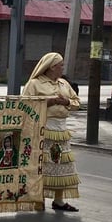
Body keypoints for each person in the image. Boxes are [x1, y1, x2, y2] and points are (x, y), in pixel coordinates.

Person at [22, 52, 81, 212]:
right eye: (60, 65)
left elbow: (77, 103)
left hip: (61, 130)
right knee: (42, 164)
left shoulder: (64, 84)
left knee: (61, 164)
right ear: (51, 67)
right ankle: (37, 197)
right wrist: (48, 102)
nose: (62, 68)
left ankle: (59, 200)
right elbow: (25, 105)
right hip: (43, 128)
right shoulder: (34, 84)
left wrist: (66, 101)